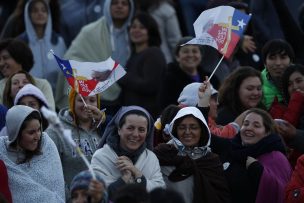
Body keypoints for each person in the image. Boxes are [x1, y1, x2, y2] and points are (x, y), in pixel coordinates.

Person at [56, 0, 135, 113]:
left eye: (124, 3)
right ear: (107, 5)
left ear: (130, 8)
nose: (119, 6)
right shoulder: (90, 31)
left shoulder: (135, 32)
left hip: (128, 91)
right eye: (115, 3)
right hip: (96, 96)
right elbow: (72, 58)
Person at [211, 108, 292, 203]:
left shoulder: (276, 158)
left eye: (256, 126)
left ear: (267, 132)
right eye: (245, 124)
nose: (249, 128)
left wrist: (258, 171)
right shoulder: (232, 148)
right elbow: (206, 137)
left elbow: (281, 192)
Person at [154, 106, 230, 203]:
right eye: (182, 127)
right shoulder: (162, 154)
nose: (187, 132)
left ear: (202, 131)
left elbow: (221, 197)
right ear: (175, 130)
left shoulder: (211, 161)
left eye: (193, 127)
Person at [91, 106, 165, 200]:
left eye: (141, 130)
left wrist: (137, 173)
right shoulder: (101, 156)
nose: (135, 134)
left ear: (147, 133)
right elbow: (100, 195)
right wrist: (125, 178)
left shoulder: (151, 158)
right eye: (130, 128)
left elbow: (160, 193)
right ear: (119, 129)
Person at [45, 88, 107, 199]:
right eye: (81, 100)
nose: (86, 105)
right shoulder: (55, 131)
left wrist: (103, 122)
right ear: (72, 102)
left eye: (92, 100)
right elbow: (50, 173)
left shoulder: (103, 129)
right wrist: (70, 199)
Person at [0, 105, 65, 202]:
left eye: (39, 130)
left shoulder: (47, 146)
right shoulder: (2, 153)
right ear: (16, 134)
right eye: (31, 132)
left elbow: (57, 186)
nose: (37, 137)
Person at [118, 12, 166, 119]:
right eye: (133, 27)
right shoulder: (133, 56)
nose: (136, 30)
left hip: (147, 117)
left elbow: (150, 85)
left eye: (142, 27)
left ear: (150, 31)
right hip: (131, 116)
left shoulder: (154, 53)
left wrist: (121, 76)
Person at [18, 0, 66, 93]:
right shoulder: (21, 43)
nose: (40, 13)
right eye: (35, 11)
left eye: (44, 10)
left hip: (55, 98)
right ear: (28, 15)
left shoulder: (58, 41)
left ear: (48, 14)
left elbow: (65, 72)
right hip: (29, 97)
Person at [160, 36, 219, 109]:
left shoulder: (211, 78)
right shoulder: (168, 79)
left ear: (201, 55)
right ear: (177, 56)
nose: (190, 55)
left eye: (194, 51)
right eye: (185, 51)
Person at [0, 38, 55, 110]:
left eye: (5, 58)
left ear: (19, 58)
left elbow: (50, 115)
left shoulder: (42, 85)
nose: (1, 63)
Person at [261, 39, 294, 109]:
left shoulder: (301, 79)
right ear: (265, 63)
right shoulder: (257, 87)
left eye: (283, 57)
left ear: (291, 61)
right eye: (272, 58)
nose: (278, 63)